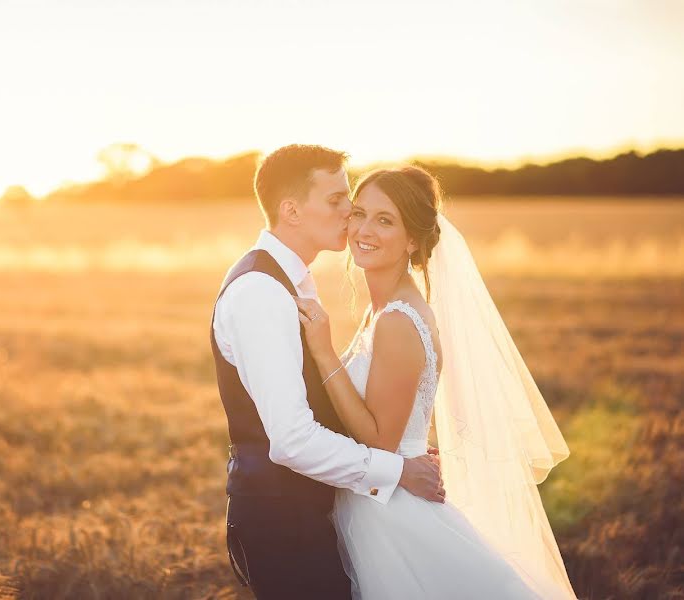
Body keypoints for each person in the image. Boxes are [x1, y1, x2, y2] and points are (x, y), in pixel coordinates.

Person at [294, 166, 577, 599]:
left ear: (412, 240)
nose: (364, 230)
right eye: (360, 214)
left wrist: (324, 352)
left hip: (392, 513)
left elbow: (381, 443)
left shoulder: (397, 321)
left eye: (385, 220)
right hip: (385, 492)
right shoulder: (387, 310)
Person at [211, 145, 444, 599]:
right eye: (338, 201)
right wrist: (396, 470)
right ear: (292, 211)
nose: (350, 215)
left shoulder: (291, 281)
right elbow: (292, 438)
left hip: (312, 514)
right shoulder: (261, 292)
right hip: (282, 522)